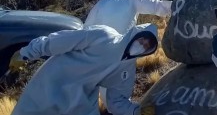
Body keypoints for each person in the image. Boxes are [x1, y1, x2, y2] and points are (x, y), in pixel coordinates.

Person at [9, 23, 157, 115]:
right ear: (136, 33)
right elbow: (59, 41)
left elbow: (116, 101)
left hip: (80, 99)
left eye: (147, 46)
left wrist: (136, 111)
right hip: (50, 83)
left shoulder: (127, 72)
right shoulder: (103, 35)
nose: (142, 45)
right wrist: (27, 53)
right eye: (142, 39)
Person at [84, 0, 172, 111]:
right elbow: (88, 27)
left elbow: (156, 5)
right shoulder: (103, 2)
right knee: (102, 93)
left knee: (118, 95)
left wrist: (174, 7)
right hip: (102, 54)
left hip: (124, 53)